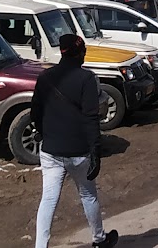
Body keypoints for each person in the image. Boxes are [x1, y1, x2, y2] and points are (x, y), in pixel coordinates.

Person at [31, 34, 118, 248]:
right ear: (80, 54)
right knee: (88, 195)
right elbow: (91, 118)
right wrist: (95, 151)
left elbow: (35, 113)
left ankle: (40, 246)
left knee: (48, 200)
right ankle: (99, 240)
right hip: (79, 152)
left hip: (51, 151)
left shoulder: (45, 77)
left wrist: (45, 134)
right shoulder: (86, 79)